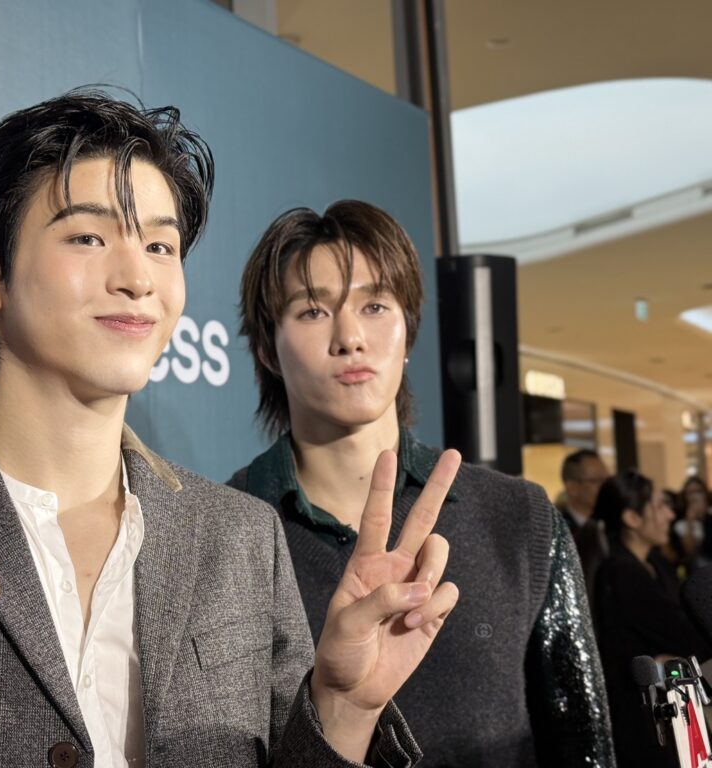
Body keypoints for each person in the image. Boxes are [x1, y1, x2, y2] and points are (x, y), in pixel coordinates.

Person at [0, 92, 461, 768]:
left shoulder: (240, 536)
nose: (138, 277)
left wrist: (343, 709)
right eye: (88, 238)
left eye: (161, 246)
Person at [228, 201, 614, 767]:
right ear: (267, 347)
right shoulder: (224, 532)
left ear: (408, 330)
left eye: (375, 306)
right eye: (312, 311)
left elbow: (585, 747)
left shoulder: (517, 516)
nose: (350, 337)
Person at [592, 471, 712, 768]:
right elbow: (682, 635)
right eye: (659, 506)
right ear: (632, 518)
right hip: (647, 724)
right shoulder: (621, 573)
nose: (670, 514)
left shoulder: (656, 563)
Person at [560, 449, 611, 606]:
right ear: (572, 488)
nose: (606, 488)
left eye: (607, 480)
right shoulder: (560, 533)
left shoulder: (611, 527)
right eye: (596, 481)